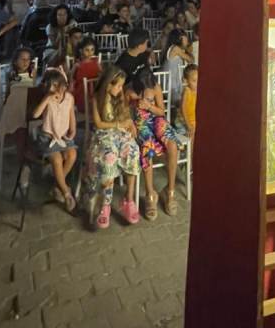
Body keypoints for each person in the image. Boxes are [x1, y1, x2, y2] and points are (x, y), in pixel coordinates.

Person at [80, 65, 141, 228]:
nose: (121, 89)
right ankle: (105, 204)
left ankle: (128, 200)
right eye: (118, 85)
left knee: (133, 152)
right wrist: (118, 124)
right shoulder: (97, 99)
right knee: (109, 157)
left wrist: (131, 124)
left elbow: (127, 115)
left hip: (121, 134)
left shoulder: (120, 97)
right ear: (109, 85)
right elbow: (99, 124)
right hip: (104, 136)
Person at [129, 66, 184, 219]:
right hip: (141, 123)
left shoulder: (156, 87)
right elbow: (124, 110)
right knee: (147, 147)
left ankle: (170, 191)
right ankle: (150, 194)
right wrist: (130, 121)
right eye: (145, 90)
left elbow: (161, 111)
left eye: (150, 89)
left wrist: (149, 106)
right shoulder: (129, 90)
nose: (148, 92)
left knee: (172, 144)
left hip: (156, 120)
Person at [33, 69, 77, 210]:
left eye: (55, 85)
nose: (51, 89)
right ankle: (66, 192)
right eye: (50, 85)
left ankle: (57, 187)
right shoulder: (48, 99)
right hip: (47, 139)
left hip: (63, 137)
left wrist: (72, 131)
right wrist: (47, 99)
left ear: (64, 86)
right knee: (57, 159)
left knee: (72, 155)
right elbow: (35, 114)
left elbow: (71, 116)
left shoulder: (69, 98)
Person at [161, 28, 194, 109]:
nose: (187, 39)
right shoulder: (175, 49)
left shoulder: (176, 49)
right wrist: (189, 51)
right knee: (181, 101)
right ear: (180, 38)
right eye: (185, 36)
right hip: (169, 84)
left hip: (175, 82)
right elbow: (191, 60)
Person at [69, 36, 100, 112]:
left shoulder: (96, 61)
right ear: (81, 51)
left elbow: (102, 72)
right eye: (87, 50)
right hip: (81, 89)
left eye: (92, 50)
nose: (90, 52)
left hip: (94, 87)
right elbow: (70, 75)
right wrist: (71, 84)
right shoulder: (78, 63)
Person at [175, 63, 198, 146]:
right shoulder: (186, 92)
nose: (197, 83)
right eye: (194, 81)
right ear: (187, 81)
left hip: (194, 121)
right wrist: (189, 126)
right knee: (192, 136)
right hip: (183, 121)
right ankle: (191, 154)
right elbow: (183, 109)